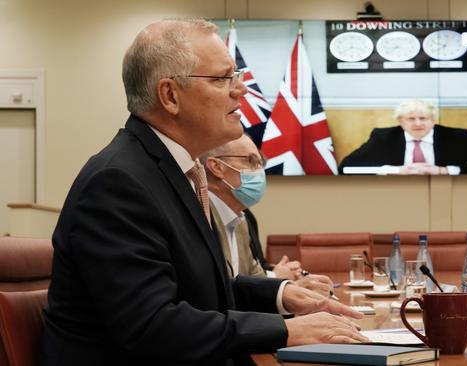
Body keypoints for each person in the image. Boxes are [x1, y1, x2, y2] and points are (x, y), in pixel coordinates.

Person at [40, 19, 366, 366]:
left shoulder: (174, 170)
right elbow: (153, 325)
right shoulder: (119, 182)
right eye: (222, 78)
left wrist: (283, 295)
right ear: (170, 96)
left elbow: (203, 291)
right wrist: (288, 330)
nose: (241, 90)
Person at [200, 134, 333, 296]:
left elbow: (254, 278)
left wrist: (294, 288)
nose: (260, 171)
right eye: (251, 161)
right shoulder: (199, 217)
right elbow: (215, 294)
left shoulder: (240, 220)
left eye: (260, 163)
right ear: (217, 167)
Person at [339, 99, 467, 175]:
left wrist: (445, 171)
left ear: (433, 121)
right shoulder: (383, 137)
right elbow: (346, 168)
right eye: (411, 119)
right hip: (393, 196)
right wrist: (394, 171)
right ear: (401, 122)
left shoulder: (457, 137)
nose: (418, 124)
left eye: (423, 118)